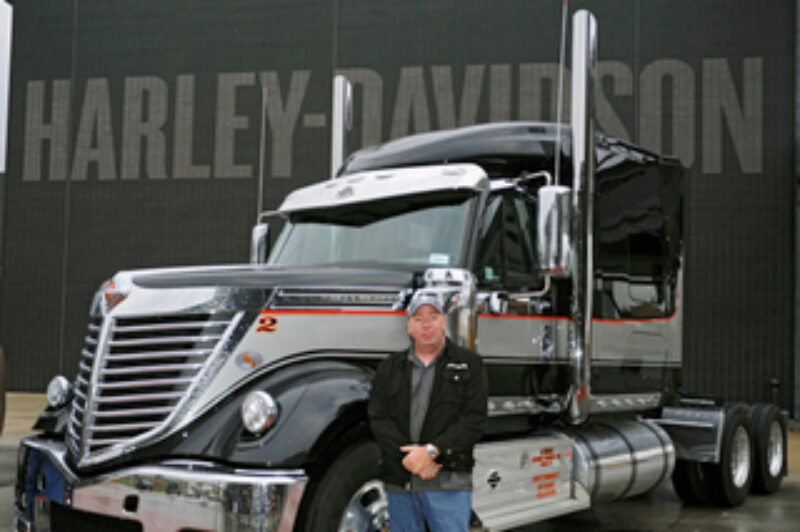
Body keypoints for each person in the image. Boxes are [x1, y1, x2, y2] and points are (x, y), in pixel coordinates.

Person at [368, 294, 488, 532]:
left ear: (443, 321)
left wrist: (432, 452)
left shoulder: (469, 364)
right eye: (418, 318)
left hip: (448, 481)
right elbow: (379, 418)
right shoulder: (389, 368)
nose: (426, 324)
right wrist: (412, 459)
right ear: (408, 325)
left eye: (433, 317)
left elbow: (473, 420)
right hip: (402, 483)